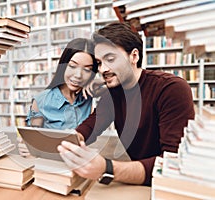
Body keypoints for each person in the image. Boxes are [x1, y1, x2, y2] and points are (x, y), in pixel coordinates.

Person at [57, 22, 195, 186]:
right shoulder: (112, 95)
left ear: (134, 56)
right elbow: (88, 129)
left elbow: (174, 163)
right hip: (139, 182)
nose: (103, 69)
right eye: (99, 63)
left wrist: (107, 168)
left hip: (170, 187)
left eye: (110, 59)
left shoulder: (171, 89)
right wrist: (54, 143)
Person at [18, 38, 99, 156]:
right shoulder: (41, 100)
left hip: (79, 162)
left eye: (87, 69)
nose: (78, 75)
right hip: (51, 163)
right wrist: (28, 147)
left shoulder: (88, 97)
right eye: (72, 66)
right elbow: (30, 142)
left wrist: (98, 82)